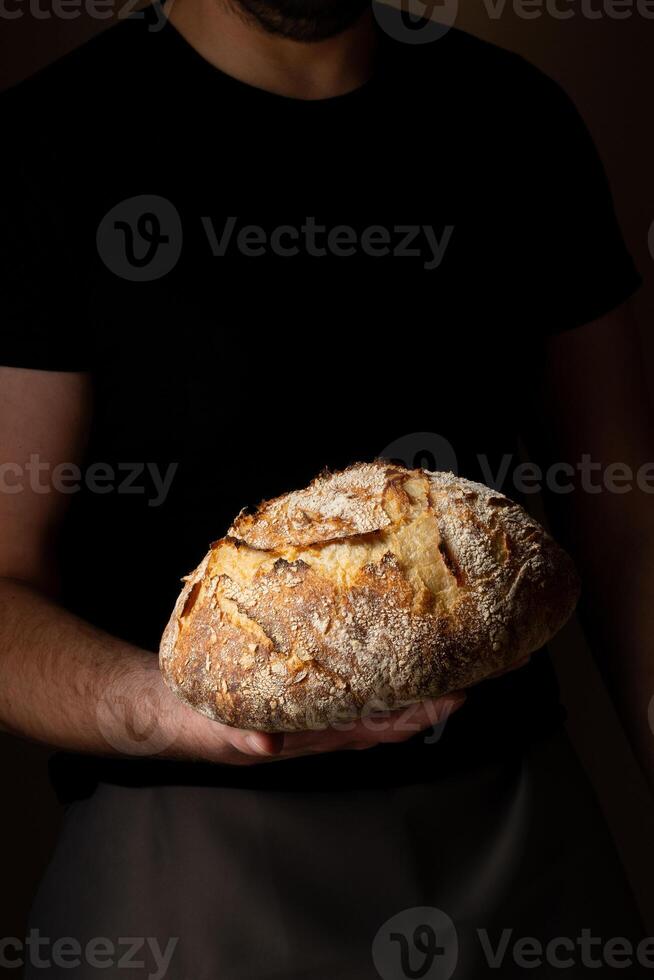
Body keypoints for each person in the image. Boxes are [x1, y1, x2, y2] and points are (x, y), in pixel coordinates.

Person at [1, 0, 652, 975]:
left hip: (520, 831)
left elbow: (624, 518)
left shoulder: (516, 119)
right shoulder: (45, 147)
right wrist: (159, 706)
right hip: (185, 865)